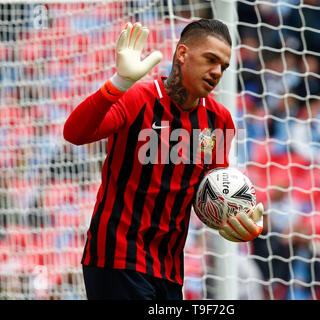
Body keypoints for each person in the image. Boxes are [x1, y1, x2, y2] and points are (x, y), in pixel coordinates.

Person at [63, 19, 264, 300]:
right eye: (210, 59)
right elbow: (74, 133)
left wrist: (235, 220)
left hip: (169, 269)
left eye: (223, 66)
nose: (217, 72)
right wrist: (119, 83)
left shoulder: (220, 120)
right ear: (182, 54)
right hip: (116, 257)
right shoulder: (138, 98)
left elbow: (213, 193)